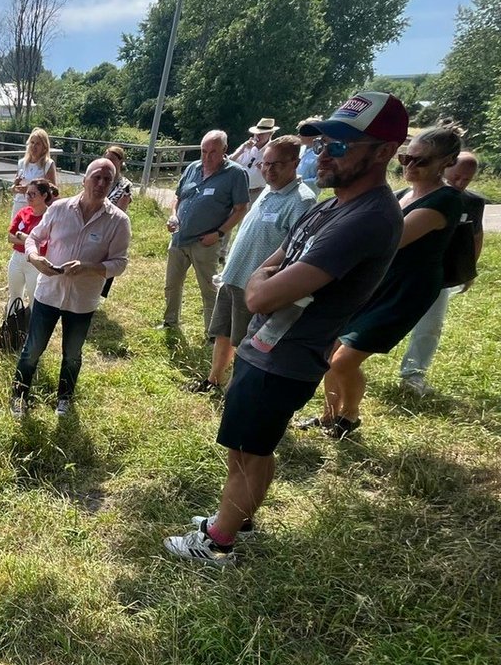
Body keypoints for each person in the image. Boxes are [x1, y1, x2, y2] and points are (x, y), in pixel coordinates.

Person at [163, 90, 408, 567]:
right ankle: (238, 518)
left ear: (383, 152)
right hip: (269, 345)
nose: (324, 153)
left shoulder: (366, 218)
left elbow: (261, 293)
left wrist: (263, 281)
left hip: (286, 354)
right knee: (251, 445)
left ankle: (218, 543)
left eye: (340, 145)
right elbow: (275, 263)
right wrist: (266, 277)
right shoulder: (334, 206)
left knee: (246, 450)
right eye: (324, 142)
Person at [309, 122, 465, 436]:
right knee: (329, 352)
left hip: (404, 291)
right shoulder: (402, 194)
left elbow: (391, 238)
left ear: (447, 162)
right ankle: (328, 416)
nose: (410, 166)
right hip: (375, 282)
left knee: (343, 361)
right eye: (406, 158)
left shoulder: (445, 200)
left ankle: (349, 418)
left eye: (421, 161)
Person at [186, 135, 317, 393]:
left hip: (255, 286)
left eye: (276, 164)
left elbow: (296, 253)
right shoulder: (268, 191)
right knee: (222, 332)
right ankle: (213, 380)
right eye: (265, 164)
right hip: (233, 277)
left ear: (295, 162)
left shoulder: (302, 201)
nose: (268, 170)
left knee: (245, 343)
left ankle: (236, 391)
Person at [10, 158, 131, 418]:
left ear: (113, 184)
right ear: (84, 178)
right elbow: (34, 237)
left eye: (107, 179)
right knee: (32, 349)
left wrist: (89, 267)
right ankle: (19, 395)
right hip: (48, 293)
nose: (100, 184)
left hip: (82, 300)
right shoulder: (59, 209)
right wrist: (33, 258)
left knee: (73, 354)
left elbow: (120, 263)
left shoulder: (118, 221)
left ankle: (64, 399)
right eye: (96, 177)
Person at [398, 151, 487, 395]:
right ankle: (342, 362)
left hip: (439, 274)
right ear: (443, 167)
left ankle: (413, 373)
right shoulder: (404, 198)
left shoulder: (472, 202)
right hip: (399, 273)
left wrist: (468, 271)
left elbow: (474, 236)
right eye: (456, 177)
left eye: (466, 180)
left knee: (431, 325)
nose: (459, 184)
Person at [162, 130, 250, 332]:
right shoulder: (193, 167)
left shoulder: (235, 174)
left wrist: (218, 234)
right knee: (172, 285)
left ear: (225, 150)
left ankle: (212, 332)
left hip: (206, 242)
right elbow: (178, 197)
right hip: (179, 238)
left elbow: (240, 209)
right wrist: (173, 215)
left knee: (209, 289)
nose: (207, 157)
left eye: (213, 152)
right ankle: (169, 322)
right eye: (203, 151)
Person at [7, 179, 58, 305]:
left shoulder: (50, 217)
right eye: (27, 193)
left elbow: (45, 245)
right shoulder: (23, 212)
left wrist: (23, 237)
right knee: (14, 296)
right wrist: (30, 240)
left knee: (34, 298)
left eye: (33, 194)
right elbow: (10, 237)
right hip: (17, 258)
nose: (28, 197)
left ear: (44, 195)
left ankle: (32, 323)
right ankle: (12, 322)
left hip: (36, 263)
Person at [11, 128, 58, 216]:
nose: (34, 146)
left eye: (38, 144)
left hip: (36, 209)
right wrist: (15, 186)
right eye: (32, 143)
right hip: (19, 205)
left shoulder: (48, 164)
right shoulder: (22, 163)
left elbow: (53, 191)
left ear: (44, 147)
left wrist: (30, 190)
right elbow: (13, 188)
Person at [232, 117, 278, 203]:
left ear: (270, 134)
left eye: (262, 134)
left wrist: (264, 169)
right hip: (239, 191)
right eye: (256, 133)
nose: (257, 136)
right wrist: (241, 149)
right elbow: (230, 162)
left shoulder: (273, 149)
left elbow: (277, 176)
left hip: (258, 192)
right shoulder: (246, 146)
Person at [296, 116, 322, 194]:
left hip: (309, 194)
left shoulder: (321, 152)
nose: (298, 136)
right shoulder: (301, 149)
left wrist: (299, 182)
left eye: (302, 133)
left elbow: (319, 178)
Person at [104, 145, 133, 213]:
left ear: (120, 161)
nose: (108, 162)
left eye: (112, 159)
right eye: (106, 159)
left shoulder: (126, 185)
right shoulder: (98, 180)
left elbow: (120, 212)